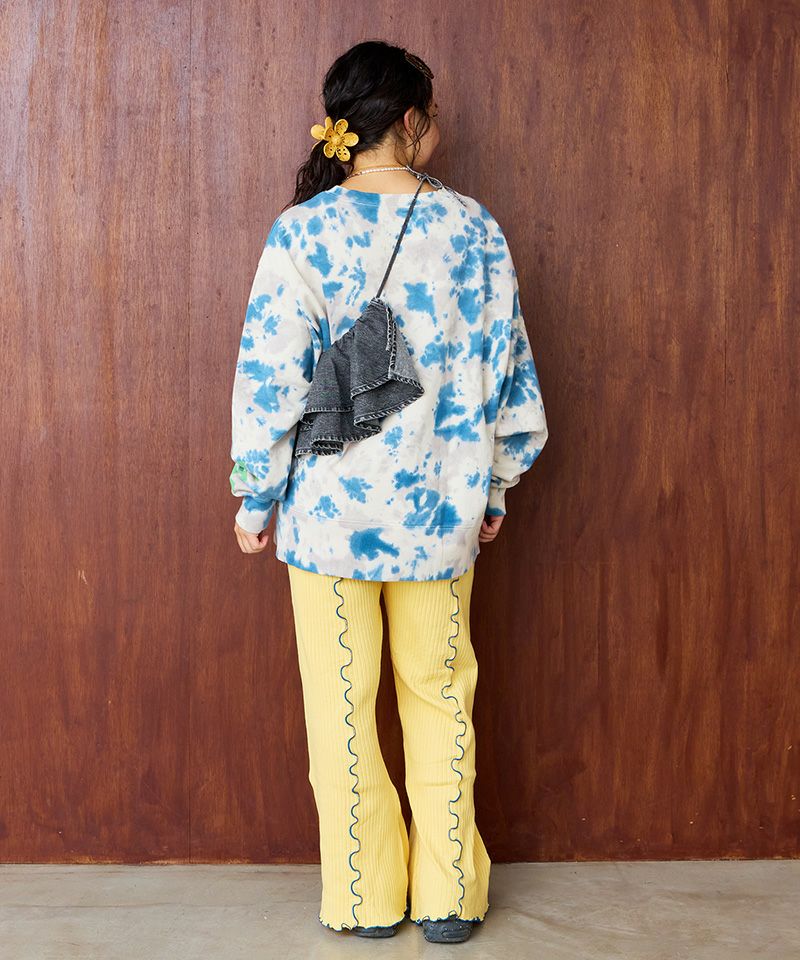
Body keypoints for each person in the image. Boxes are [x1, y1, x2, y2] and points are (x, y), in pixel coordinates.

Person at [229, 40, 548, 944]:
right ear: (410, 122)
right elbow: (508, 373)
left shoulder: (301, 233)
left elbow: (270, 379)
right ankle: (450, 897)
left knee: (340, 709)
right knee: (442, 698)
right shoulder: (474, 230)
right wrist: (495, 487)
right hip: (441, 518)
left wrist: (255, 496)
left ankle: (365, 898)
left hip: (328, 522)